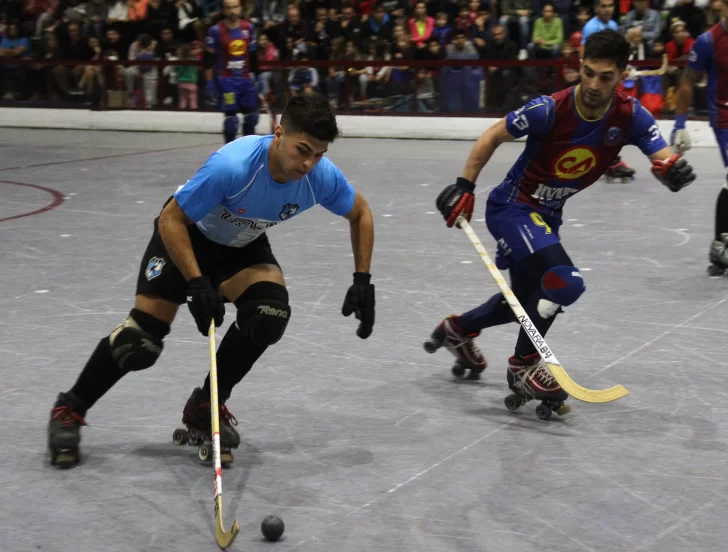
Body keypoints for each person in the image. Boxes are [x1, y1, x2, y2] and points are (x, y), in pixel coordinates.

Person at [47, 93, 376, 468]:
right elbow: (172, 219)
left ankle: (205, 405)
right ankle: (69, 408)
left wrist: (362, 279)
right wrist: (196, 281)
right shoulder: (233, 167)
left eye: (318, 154)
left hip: (241, 245)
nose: (308, 163)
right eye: (303, 150)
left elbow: (361, 213)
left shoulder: (319, 177)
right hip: (187, 236)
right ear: (279, 133)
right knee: (139, 343)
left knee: (268, 315)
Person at [425, 30, 695, 416]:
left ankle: (458, 328)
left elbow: (664, 158)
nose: (593, 85)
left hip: (547, 217)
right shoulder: (549, 109)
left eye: (605, 77)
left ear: (622, 76)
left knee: (525, 302)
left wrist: (672, 172)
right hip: (512, 208)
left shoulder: (631, 115)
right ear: (580, 67)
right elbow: (494, 134)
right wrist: (464, 185)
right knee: (564, 281)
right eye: (588, 73)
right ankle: (523, 366)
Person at [670, 0, 728, 275]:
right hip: (725, 117)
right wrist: (680, 124)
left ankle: (721, 246)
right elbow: (687, 81)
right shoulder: (708, 41)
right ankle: (721, 247)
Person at [580, 0, 636, 181]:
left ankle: (609, 160)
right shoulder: (591, 27)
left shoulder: (613, 25)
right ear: (596, 8)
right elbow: (586, 55)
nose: (607, 9)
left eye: (610, 6)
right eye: (603, 6)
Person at [205, 0, 261, 142]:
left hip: (246, 79)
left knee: (252, 117)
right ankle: (229, 151)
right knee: (231, 121)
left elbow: (253, 55)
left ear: (240, 8)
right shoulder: (215, 31)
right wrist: (209, 82)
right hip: (226, 81)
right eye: (228, 8)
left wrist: (257, 77)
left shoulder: (248, 28)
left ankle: (248, 149)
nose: (232, 11)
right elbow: (208, 60)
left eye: (235, 7)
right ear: (223, 10)